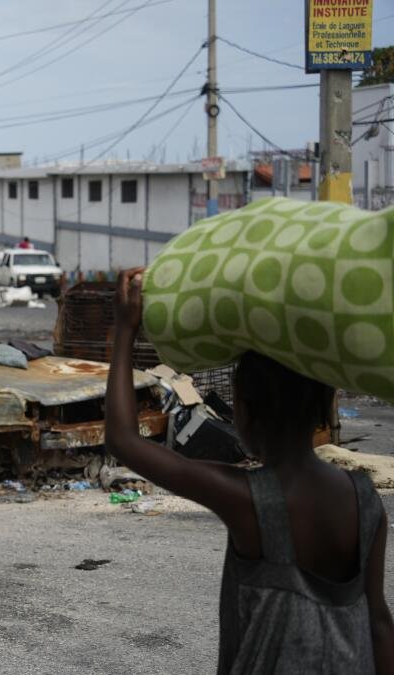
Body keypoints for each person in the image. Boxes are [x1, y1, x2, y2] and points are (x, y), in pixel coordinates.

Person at [105, 268, 394, 674]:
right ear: (322, 407)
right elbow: (379, 623)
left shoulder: (247, 499)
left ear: (243, 411)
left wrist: (124, 330)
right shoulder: (364, 498)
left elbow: (123, 440)